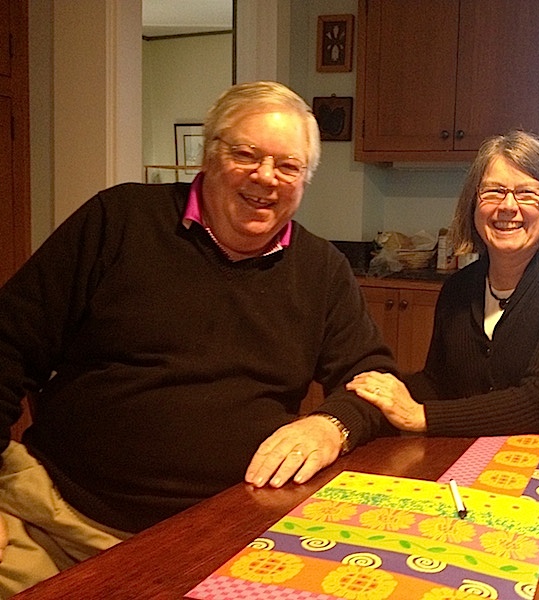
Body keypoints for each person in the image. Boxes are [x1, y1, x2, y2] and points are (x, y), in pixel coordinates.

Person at [0, 81, 395, 595]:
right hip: (60, 521)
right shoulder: (117, 220)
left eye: (288, 166)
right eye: (246, 155)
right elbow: (7, 343)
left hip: (235, 535)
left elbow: (374, 379)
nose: (265, 178)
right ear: (209, 156)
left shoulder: (322, 269)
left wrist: (331, 423)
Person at [347, 130, 539, 443]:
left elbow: (538, 403)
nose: (507, 206)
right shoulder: (458, 288)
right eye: (493, 191)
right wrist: (381, 393)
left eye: (526, 193)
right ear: (473, 203)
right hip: (487, 454)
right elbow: (438, 383)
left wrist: (420, 416)